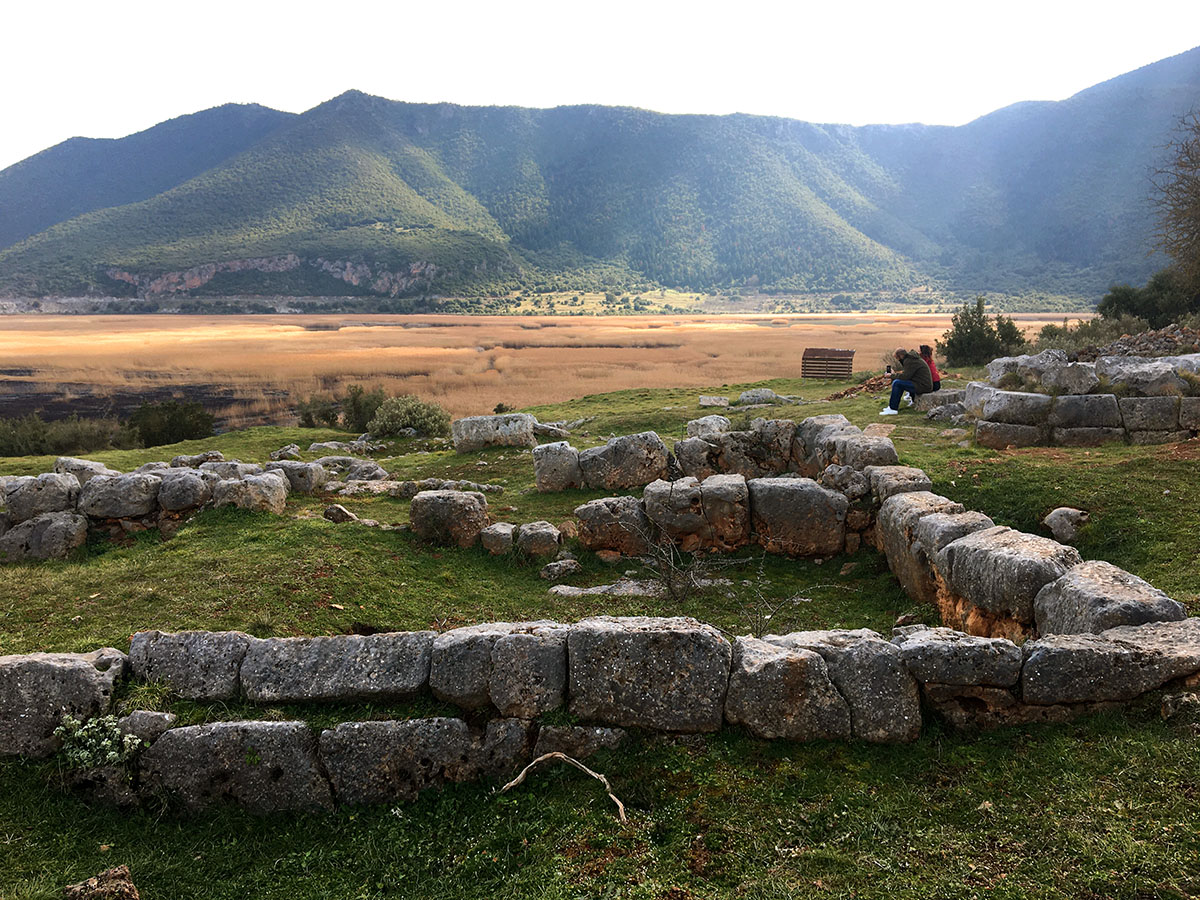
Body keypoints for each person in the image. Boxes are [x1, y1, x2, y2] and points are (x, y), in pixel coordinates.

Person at [880, 347, 933, 415]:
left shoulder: (909, 361)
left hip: (923, 386)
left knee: (897, 383)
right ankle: (892, 406)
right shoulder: (912, 359)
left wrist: (891, 376)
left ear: (901, 356)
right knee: (899, 382)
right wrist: (895, 375)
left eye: (897, 358)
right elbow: (908, 374)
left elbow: (905, 377)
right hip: (922, 384)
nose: (898, 360)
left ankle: (893, 408)